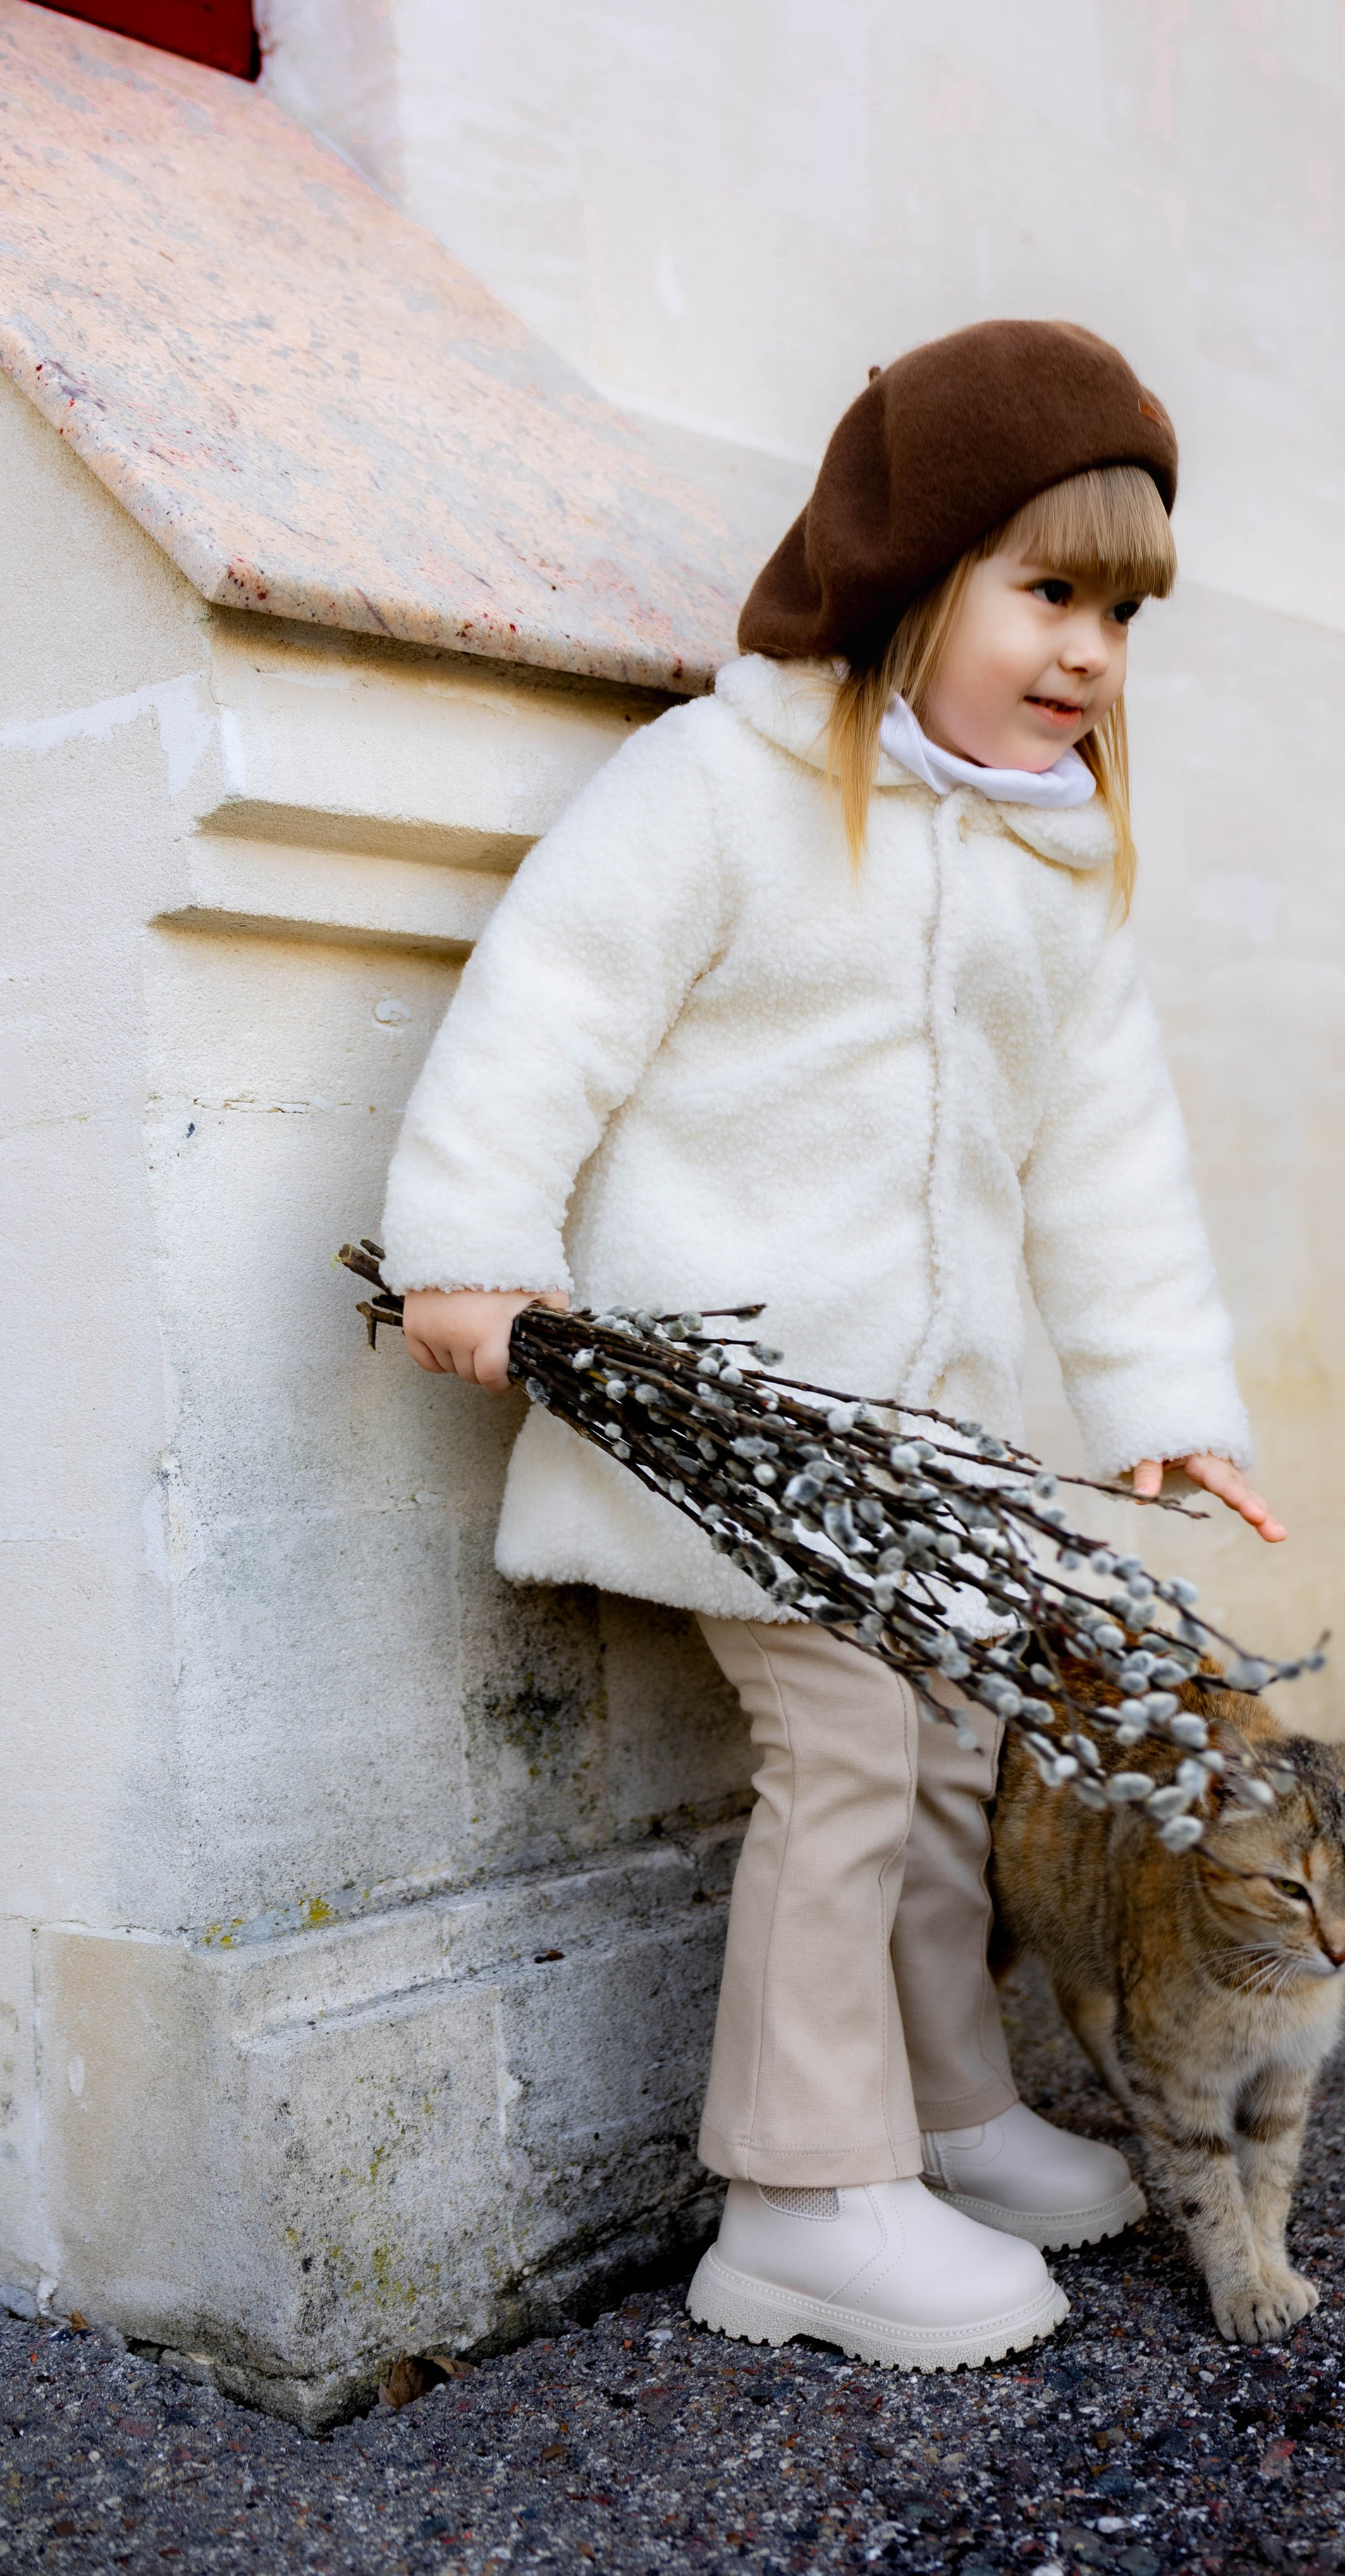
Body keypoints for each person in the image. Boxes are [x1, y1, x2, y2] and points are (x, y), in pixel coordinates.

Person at [380, 319, 1285, 2373]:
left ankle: (943, 2112)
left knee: (957, 1749)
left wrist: (1161, 1400)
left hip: (934, 1455)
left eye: (1126, 616)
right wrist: (470, 1250)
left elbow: (1103, 1157)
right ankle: (799, 2197)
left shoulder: (1058, 867)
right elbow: (554, 1004)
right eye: (1050, 591)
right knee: (852, 1749)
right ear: (912, 571)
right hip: (747, 1427)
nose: (1091, 656)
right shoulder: (727, 790)